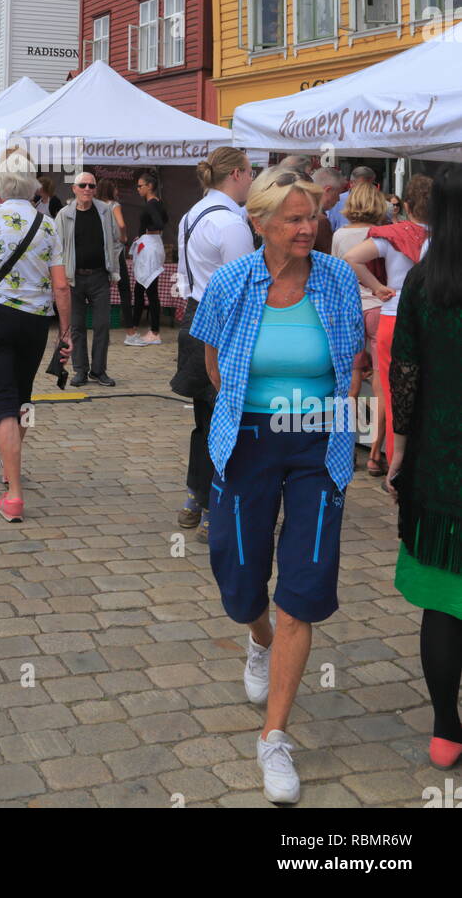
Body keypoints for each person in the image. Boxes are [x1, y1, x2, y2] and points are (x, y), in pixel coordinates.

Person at [190, 165, 363, 804]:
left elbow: (350, 361)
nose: (306, 227)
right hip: (249, 440)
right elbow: (211, 361)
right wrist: (248, 405)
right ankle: (257, 637)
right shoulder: (234, 283)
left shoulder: (338, 278)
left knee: (306, 580)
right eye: (292, 218)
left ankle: (274, 737)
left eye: (311, 216)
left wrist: (341, 415)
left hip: (320, 442)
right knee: (237, 576)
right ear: (259, 223)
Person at [387, 163, 462, 768]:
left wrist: (400, 452)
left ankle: (445, 728)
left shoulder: (424, 280)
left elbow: (404, 371)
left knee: (444, 605)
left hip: (439, 469)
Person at [0, 161, 72, 522]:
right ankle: (11, 465)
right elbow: (61, 284)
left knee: (4, 400)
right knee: (23, 396)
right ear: (33, 187)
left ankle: (15, 495)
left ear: (1, 187)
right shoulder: (49, 224)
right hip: (35, 321)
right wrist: (66, 332)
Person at [173, 148, 255, 542]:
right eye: (251, 173)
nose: (253, 181)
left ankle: (195, 498)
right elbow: (243, 287)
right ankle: (212, 508)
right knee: (225, 422)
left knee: (204, 421)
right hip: (223, 322)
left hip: (194, 315)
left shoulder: (193, 214)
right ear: (237, 174)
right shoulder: (231, 223)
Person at [342, 174, 432, 465]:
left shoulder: (393, 236)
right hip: (433, 318)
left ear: (406, 204)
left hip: (393, 315)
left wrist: (376, 286)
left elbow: (351, 258)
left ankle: (396, 463)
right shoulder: (446, 237)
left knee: (394, 395)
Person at [331, 181, 388, 472]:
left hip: (350, 309)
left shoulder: (340, 234)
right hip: (379, 308)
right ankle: (376, 454)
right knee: (381, 384)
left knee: (350, 386)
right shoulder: (381, 235)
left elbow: (337, 274)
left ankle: (345, 447)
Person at [55, 170, 120, 388]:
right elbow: (56, 247)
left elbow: (116, 240)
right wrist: (61, 275)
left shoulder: (105, 211)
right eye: (83, 186)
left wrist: (113, 267)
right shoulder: (64, 215)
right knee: (77, 326)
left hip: (100, 276)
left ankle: (99, 370)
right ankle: (80, 370)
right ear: (74, 189)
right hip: (73, 278)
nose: (87, 190)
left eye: (91, 186)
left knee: (102, 324)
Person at [127, 170, 169, 345]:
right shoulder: (158, 203)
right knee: (141, 288)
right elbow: (165, 220)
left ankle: (154, 332)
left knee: (149, 290)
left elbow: (160, 222)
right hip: (152, 244)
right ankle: (136, 328)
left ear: (149, 186)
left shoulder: (151, 205)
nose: (138, 189)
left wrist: (148, 232)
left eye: (140, 185)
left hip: (151, 246)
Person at [96, 179, 133, 334]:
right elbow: (122, 224)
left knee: (102, 290)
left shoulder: (96, 206)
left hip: (100, 251)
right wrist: (124, 237)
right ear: (111, 190)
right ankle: (130, 330)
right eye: (116, 188)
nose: (117, 191)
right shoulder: (114, 205)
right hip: (116, 252)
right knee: (124, 289)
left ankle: (102, 328)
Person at [326, 165, 377, 232]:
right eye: (362, 186)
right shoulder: (337, 200)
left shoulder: (377, 202)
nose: (367, 189)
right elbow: (328, 229)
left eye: (371, 186)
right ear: (351, 184)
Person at [310, 167, 344, 253]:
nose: (338, 199)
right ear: (327, 190)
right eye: (338, 193)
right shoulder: (320, 221)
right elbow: (328, 256)